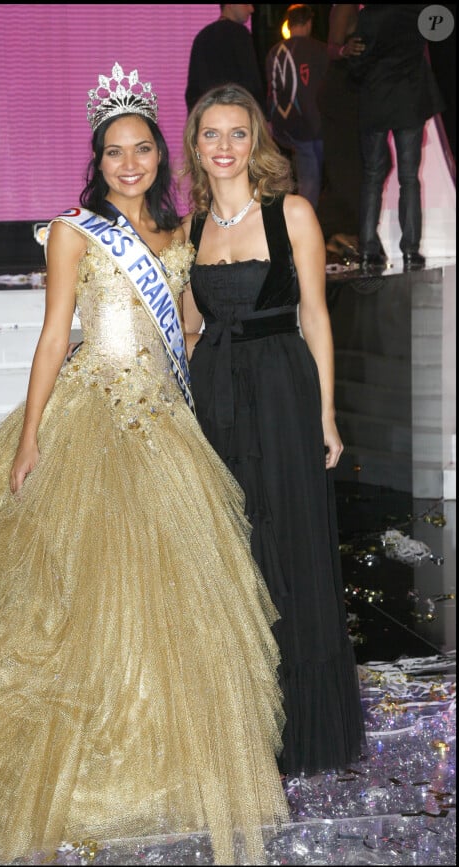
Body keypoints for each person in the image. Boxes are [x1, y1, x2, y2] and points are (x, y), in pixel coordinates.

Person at [0, 63, 290, 867]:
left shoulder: (179, 236)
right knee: (65, 593)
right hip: (88, 419)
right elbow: (50, 335)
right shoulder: (73, 231)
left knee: (177, 598)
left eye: (141, 149)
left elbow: (189, 327)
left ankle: (170, 755)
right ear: (96, 161)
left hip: (164, 425)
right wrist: (32, 434)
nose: (129, 164)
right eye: (114, 152)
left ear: (159, 155)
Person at [181, 83, 366, 778]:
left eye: (236, 134)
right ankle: (242, 724)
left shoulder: (292, 213)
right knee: (234, 550)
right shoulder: (189, 228)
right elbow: (191, 330)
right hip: (216, 397)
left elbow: (315, 317)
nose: (224, 147)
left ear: (255, 141)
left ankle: (301, 729)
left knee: (290, 543)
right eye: (211, 135)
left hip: (284, 393)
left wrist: (324, 412)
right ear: (195, 147)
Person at [348, 4, 446, 271]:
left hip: (376, 98)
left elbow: (359, 61)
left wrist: (352, 59)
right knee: (409, 178)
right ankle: (411, 251)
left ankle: (368, 249)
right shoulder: (419, 12)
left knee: (372, 175)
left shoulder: (369, 15)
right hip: (410, 100)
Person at [265, 4, 329, 210]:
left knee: (295, 179)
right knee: (311, 181)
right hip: (313, 125)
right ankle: (305, 230)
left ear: (288, 23)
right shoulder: (320, 50)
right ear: (309, 22)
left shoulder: (274, 53)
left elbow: (272, 92)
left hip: (282, 127)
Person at [315, 3, 366, 264]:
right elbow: (332, 47)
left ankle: (335, 235)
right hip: (340, 97)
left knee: (353, 173)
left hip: (352, 97)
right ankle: (325, 234)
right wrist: (345, 50)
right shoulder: (345, 6)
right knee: (349, 174)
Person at [185, 4, 266, 114]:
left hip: (208, 116)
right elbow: (252, 83)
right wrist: (263, 115)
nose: (252, 9)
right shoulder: (241, 34)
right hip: (237, 115)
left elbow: (193, 91)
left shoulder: (202, 37)